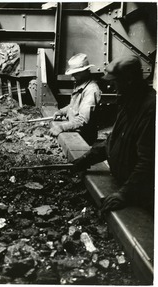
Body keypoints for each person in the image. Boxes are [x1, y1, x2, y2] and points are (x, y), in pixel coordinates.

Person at [72, 55, 155, 214]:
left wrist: (124, 194)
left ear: (129, 80)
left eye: (116, 81)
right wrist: (87, 158)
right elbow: (114, 140)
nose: (112, 86)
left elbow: (148, 162)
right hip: (125, 184)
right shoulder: (129, 102)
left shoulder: (150, 109)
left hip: (141, 197)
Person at [49, 53, 101, 145]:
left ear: (85, 71)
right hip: (75, 130)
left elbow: (83, 119)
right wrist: (62, 111)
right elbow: (75, 106)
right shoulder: (80, 84)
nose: (73, 76)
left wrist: (62, 127)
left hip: (84, 136)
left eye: (76, 73)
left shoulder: (91, 90)